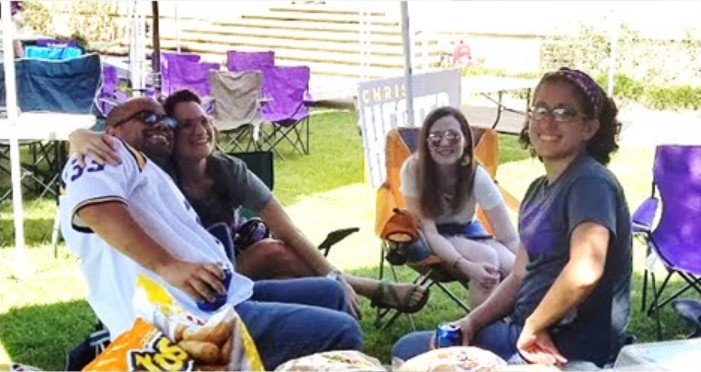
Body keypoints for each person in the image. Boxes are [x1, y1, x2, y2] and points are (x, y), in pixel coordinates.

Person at [69, 89, 430, 319]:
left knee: (283, 252)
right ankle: (365, 289)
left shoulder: (228, 169)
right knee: (276, 254)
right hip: (189, 282)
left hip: (225, 265)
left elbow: (287, 226)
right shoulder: (156, 166)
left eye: (203, 121)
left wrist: (332, 276)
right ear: (169, 134)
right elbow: (109, 154)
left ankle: (343, 287)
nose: (199, 131)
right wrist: (78, 135)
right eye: (183, 125)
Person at [59, 96, 362, 370]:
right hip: (185, 325)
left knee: (331, 293)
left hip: (222, 295)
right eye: (147, 118)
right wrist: (168, 266)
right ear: (112, 130)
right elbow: (96, 211)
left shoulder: (159, 172)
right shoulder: (106, 152)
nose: (162, 127)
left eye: (167, 122)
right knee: (341, 331)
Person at [392, 67, 632, 368]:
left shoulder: (590, 182)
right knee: (412, 349)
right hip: (525, 335)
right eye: (540, 109)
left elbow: (586, 268)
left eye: (563, 112)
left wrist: (532, 326)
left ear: (589, 128)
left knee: (411, 356)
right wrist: (471, 322)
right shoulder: (538, 190)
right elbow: (519, 276)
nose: (546, 120)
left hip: (564, 348)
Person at [399, 106, 518, 308]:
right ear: (426, 142)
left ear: (465, 140)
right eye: (436, 136)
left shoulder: (476, 176)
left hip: (469, 232)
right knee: (487, 259)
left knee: (514, 266)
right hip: (425, 238)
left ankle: (510, 328)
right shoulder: (414, 170)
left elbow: (508, 236)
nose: (445, 142)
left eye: (453, 136)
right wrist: (466, 267)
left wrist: (530, 269)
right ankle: (479, 332)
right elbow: (430, 232)